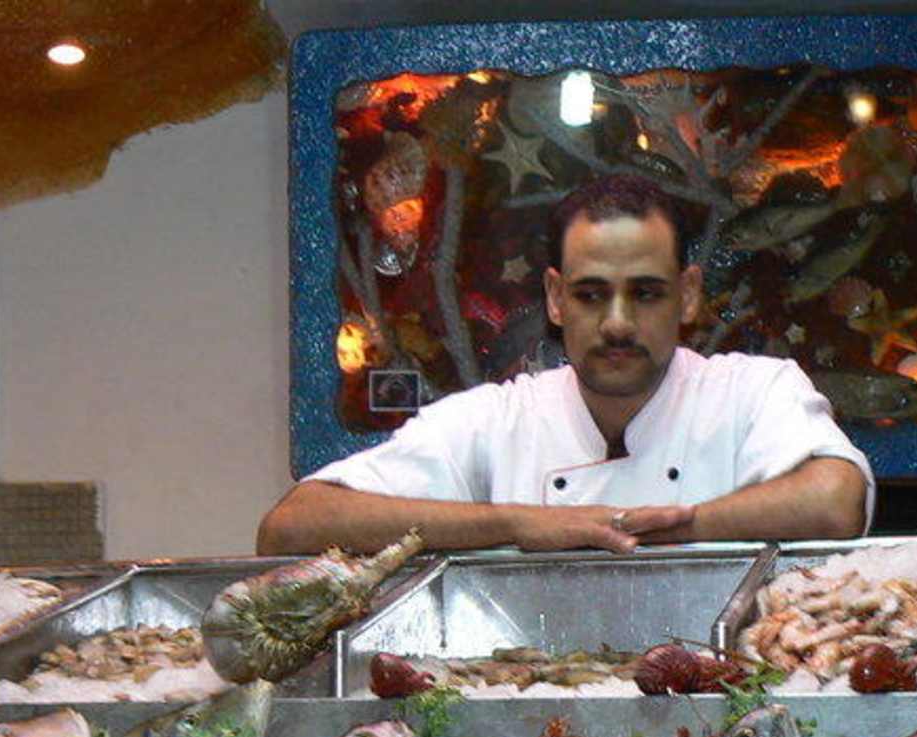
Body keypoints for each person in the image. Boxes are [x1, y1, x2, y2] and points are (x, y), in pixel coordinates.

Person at [257, 173, 872, 556]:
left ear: (688, 295)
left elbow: (835, 500)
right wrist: (522, 525)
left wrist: (677, 527)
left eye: (646, 292)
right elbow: (292, 526)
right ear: (555, 298)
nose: (617, 323)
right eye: (591, 294)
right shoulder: (498, 420)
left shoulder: (750, 391)